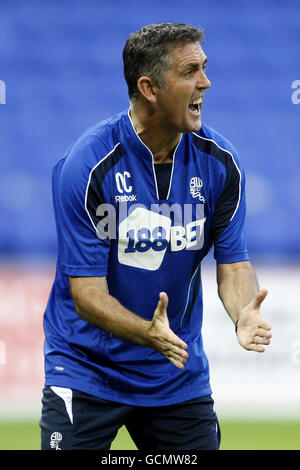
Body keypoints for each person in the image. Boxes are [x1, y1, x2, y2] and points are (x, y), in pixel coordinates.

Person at [39, 23, 272, 451]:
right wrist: (147, 332)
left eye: (204, 68)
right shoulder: (87, 165)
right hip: (86, 369)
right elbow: (86, 293)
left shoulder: (220, 163)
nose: (206, 82)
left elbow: (234, 264)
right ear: (148, 87)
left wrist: (243, 314)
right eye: (190, 71)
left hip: (175, 374)